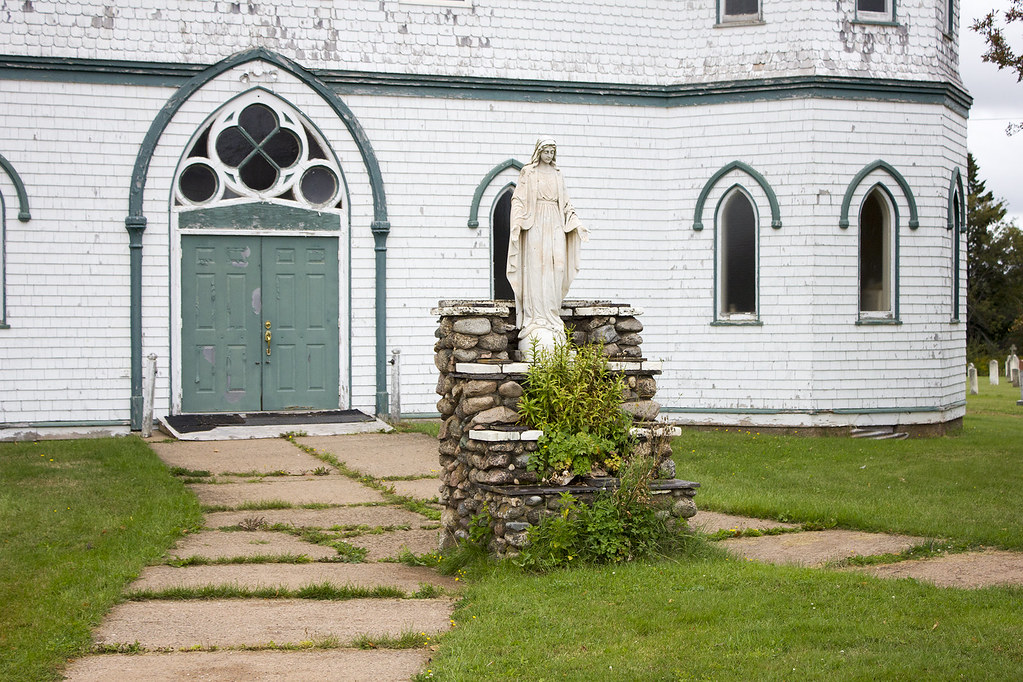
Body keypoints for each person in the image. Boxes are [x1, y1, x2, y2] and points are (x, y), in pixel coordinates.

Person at [507, 138, 589, 359]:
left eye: (553, 152)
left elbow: (567, 205)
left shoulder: (558, 174)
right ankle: (536, 320)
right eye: (546, 151)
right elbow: (518, 200)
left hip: (555, 222)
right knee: (537, 268)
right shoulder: (528, 172)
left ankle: (552, 318)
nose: (549, 155)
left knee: (556, 268)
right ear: (539, 152)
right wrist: (517, 221)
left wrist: (577, 224)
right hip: (535, 223)